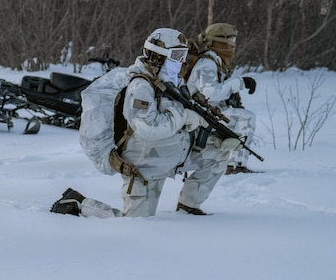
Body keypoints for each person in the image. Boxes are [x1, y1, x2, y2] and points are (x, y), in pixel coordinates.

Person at [52, 27, 217, 218]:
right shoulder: (141, 86)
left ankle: (188, 208)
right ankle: (79, 203)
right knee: (133, 223)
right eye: (177, 54)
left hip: (162, 161)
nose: (182, 61)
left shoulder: (171, 83)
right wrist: (184, 117)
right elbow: (148, 127)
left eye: (184, 55)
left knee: (217, 154)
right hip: (142, 166)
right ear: (159, 56)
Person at [186, 22, 257, 176]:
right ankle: (234, 166)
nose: (234, 45)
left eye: (234, 41)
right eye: (230, 41)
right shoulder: (206, 64)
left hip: (209, 113)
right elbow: (211, 93)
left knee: (240, 115)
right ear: (218, 43)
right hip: (198, 117)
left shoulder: (216, 62)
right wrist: (240, 83)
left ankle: (231, 162)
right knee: (246, 118)